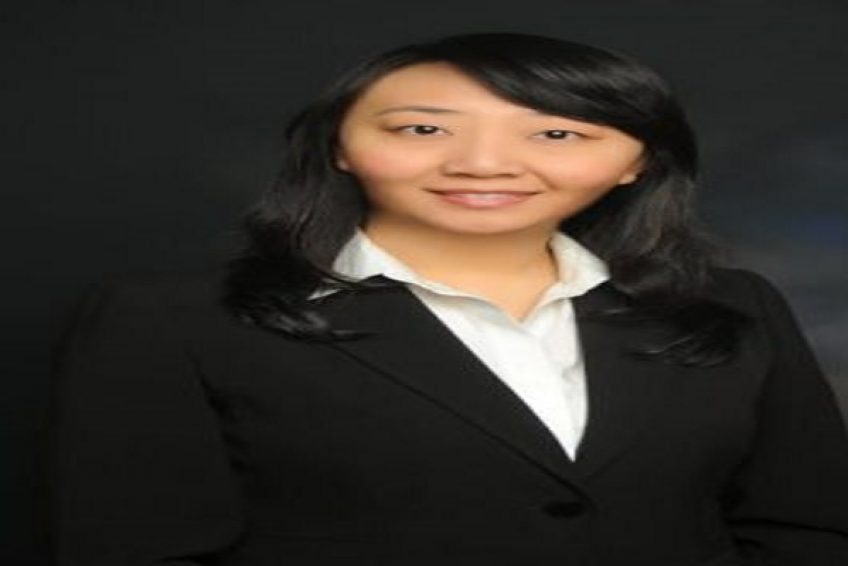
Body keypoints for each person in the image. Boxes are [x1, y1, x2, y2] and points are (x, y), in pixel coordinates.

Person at [49, 33, 848, 565]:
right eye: (422, 130)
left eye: (556, 133)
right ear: (340, 145)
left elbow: (806, 527)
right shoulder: (172, 321)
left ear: (636, 161)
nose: (484, 164)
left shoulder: (733, 305)